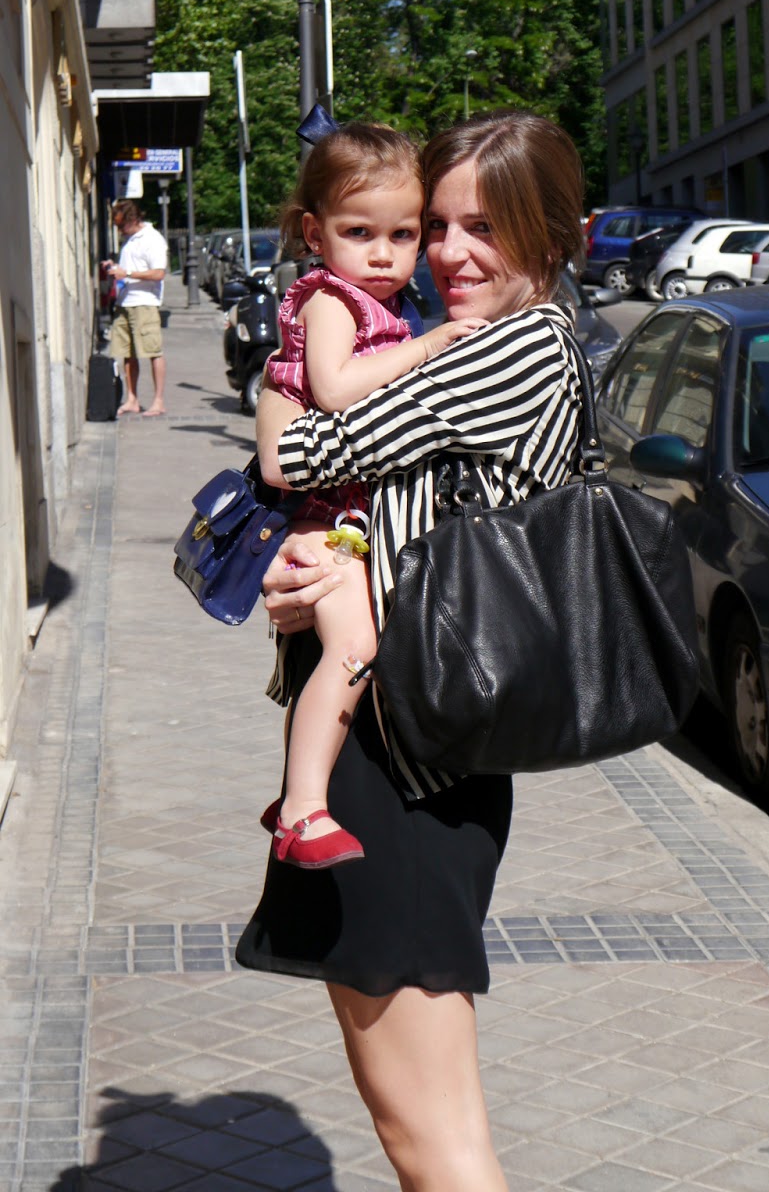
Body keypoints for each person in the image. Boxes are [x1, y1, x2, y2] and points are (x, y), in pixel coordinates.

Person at [237, 111, 586, 1192]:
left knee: (433, 1140)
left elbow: (302, 449)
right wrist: (314, 572)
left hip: (410, 771)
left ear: (553, 235)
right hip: (397, 751)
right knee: (419, 1131)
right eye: (437, 225)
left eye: (485, 226)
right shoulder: (478, 339)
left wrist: (273, 395)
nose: (447, 254)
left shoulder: (512, 347)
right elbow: (378, 509)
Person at [261, 124, 486, 870]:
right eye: (359, 232)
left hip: (344, 516)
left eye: (403, 234)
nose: (384, 254)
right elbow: (332, 390)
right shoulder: (334, 300)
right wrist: (425, 348)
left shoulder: (377, 302)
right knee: (355, 647)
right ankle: (303, 808)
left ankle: (300, 787)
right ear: (314, 234)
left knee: (343, 650)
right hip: (325, 517)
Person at [105, 200, 168, 417]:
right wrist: (115, 268)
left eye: (121, 226)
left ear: (133, 220)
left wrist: (127, 274)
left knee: (153, 351)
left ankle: (158, 401)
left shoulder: (152, 239)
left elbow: (158, 273)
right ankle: (132, 399)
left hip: (144, 302)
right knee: (127, 353)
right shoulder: (130, 240)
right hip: (125, 301)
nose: (120, 231)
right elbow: (130, 269)